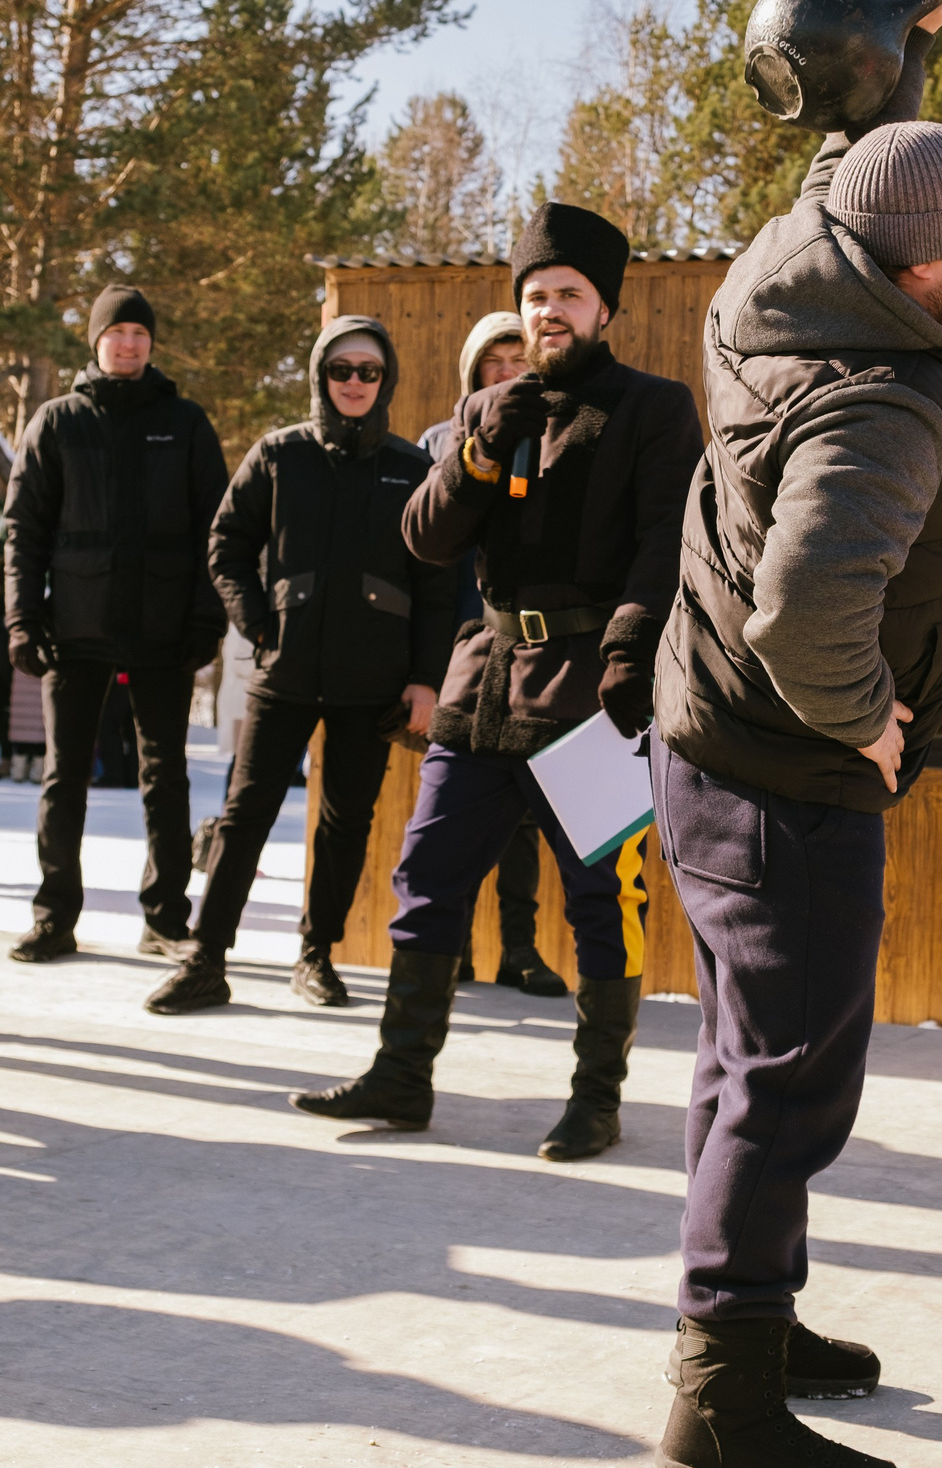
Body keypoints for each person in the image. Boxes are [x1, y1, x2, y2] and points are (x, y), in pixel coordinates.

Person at [650, 0, 942, 1468]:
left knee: (741, 1050)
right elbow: (806, 607)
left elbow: (859, 176)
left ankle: (754, 1309)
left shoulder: (783, 271)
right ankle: (721, 1400)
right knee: (789, 1075)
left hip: (707, 732)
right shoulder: (882, 397)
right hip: (792, 762)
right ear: (926, 266)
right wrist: (865, 721)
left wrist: (889, 57)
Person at [290, 203, 701, 1166]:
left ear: (604, 309)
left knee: (605, 898)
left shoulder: (655, 407)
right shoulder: (488, 411)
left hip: (594, 691)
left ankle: (596, 1098)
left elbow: (664, 544)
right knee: (426, 877)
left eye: (567, 296)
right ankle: (402, 1073)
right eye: (533, 298)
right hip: (484, 683)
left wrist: (633, 655)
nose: (548, 312)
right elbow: (424, 539)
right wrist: (477, 450)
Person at [145, 315, 457, 1015]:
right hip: (283, 676)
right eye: (341, 369)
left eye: (368, 372)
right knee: (243, 814)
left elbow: (438, 583)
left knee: (347, 822)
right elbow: (225, 544)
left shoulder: (412, 469)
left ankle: (317, 955)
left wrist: (423, 679)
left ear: (385, 381)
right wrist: (260, 624)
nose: (354, 382)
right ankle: (206, 958)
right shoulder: (279, 455)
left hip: (372, 682)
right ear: (320, 376)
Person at [2, 284, 229, 963]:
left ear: (151, 344)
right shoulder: (57, 421)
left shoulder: (184, 422)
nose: (128, 344)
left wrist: (205, 618)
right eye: (116, 333)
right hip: (75, 628)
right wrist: (23, 616)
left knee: (165, 775)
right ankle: (54, 915)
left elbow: (214, 531)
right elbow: (24, 529)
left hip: (163, 630)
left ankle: (165, 916)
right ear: (95, 341)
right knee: (64, 773)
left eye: (139, 334)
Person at [414, 310, 568, 999]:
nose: (507, 372)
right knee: (452, 821)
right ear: (473, 373)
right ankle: (448, 950)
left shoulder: (558, 435)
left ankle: (519, 947)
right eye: (492, 362)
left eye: (517, 358)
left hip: (537, 662)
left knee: (525, 820)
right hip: (462, 652)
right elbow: (430, 557)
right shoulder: (441, 442)